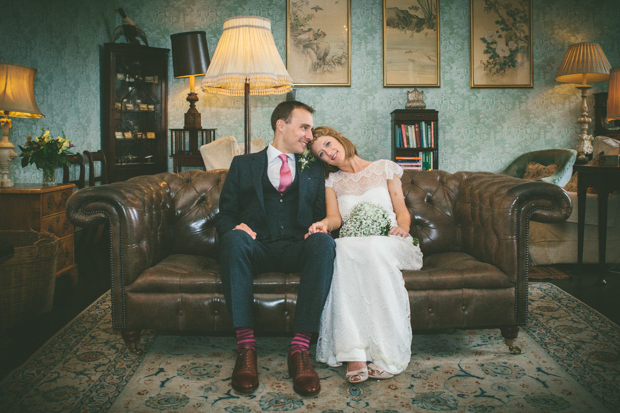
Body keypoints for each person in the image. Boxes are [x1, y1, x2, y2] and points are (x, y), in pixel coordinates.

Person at [216, 101, 336, 396]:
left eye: (310, 128)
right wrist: (235, 228)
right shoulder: (243, 164)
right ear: (281, 125)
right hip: (257, 246)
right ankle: (246, 349)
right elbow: (225, 214)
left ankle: (299, 349)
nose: (309, 135)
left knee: (324, 243)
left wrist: (319, 226)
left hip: (298, 245)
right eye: (304, 127)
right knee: (232, 238)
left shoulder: (314, 168)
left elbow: (323, 212)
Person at [307, 126, 423, 383]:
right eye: (321, 154)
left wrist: (401, 230)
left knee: (370, 247)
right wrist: (323, 225)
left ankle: (387, 353)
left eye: (327, 144)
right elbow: (335, 218)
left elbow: (402, 211)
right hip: (355, 246)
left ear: (338, 138)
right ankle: (354, 353)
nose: (327, 153)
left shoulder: (384, 168)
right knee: (343, 247)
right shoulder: (332, 181)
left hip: (391, 241)